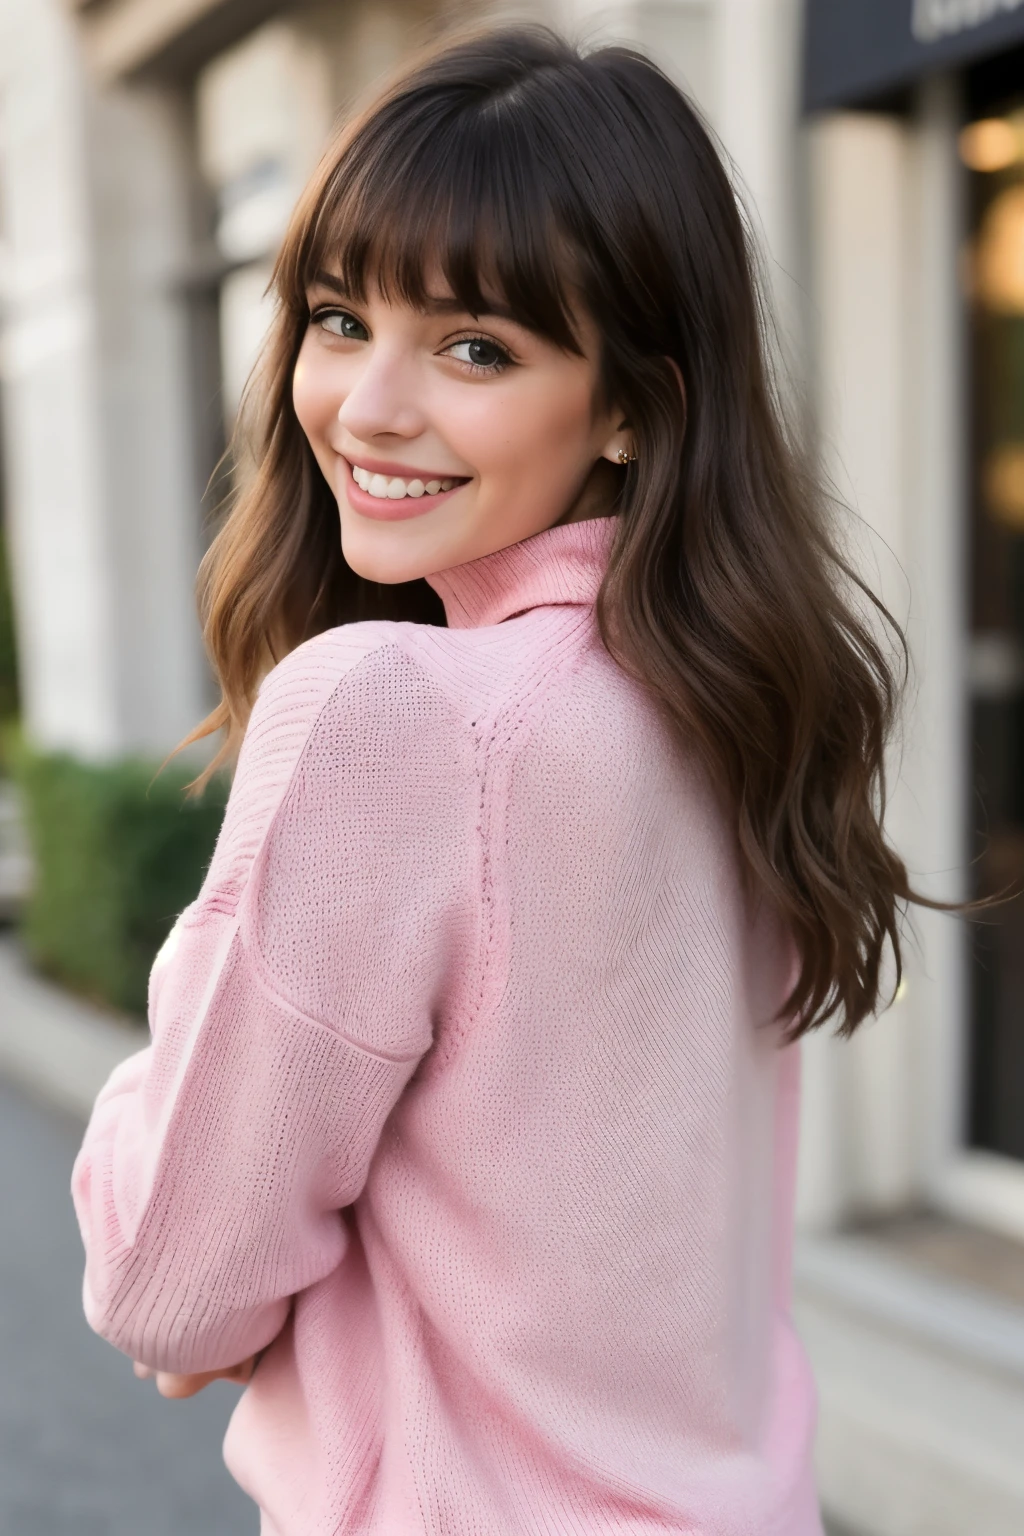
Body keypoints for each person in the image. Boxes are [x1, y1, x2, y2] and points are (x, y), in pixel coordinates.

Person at [72, 25, 916, 1535]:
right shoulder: (725, 707)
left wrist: (187, 1165)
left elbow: (168, 1286)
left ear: (630, 407)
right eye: (339, 319)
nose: (370, 407)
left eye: (477, 348)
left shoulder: (396, 715)